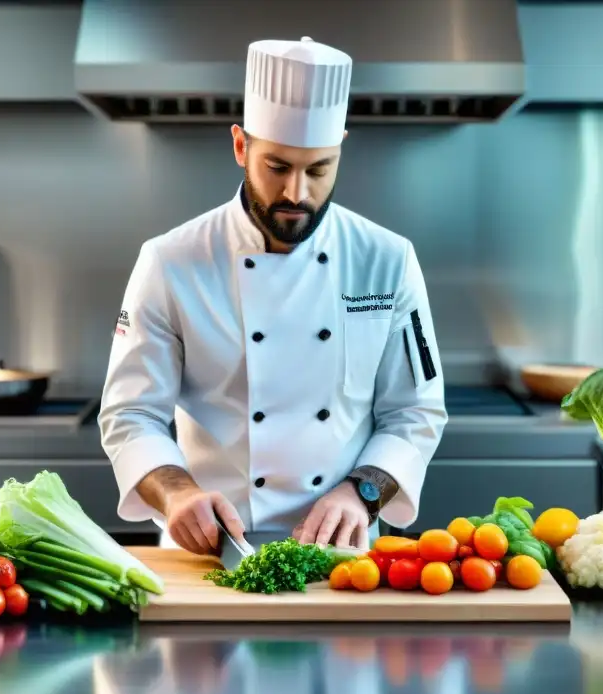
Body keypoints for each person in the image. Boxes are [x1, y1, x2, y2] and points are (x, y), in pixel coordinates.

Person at [98, 36, 447, 554]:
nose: (297, 195)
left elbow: (416, 412)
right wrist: (175, 494)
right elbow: (130, 415)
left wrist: (363, 494)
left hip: (345, 554)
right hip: (211, 550)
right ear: (241, 146)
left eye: (319, 169)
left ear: (340, 150)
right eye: (278, 167)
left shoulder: (386, 259)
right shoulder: (171, 261)